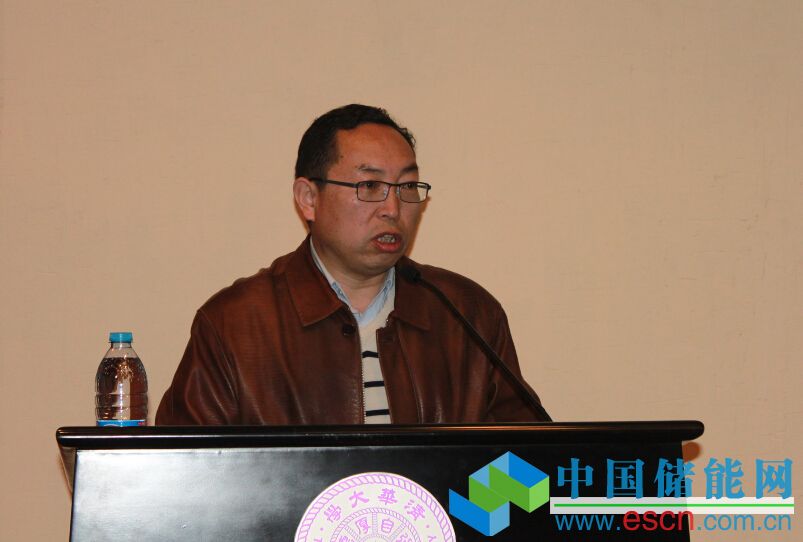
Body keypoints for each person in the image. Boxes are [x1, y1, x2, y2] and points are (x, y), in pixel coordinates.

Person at [156, 104, 549, 425]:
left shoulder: (467, 315)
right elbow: (188, 476)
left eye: (406, 186)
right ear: (308, 199)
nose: (393, 208)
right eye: (370, 186)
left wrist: (449, 496)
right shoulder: (235, 325)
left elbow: (527, 465)